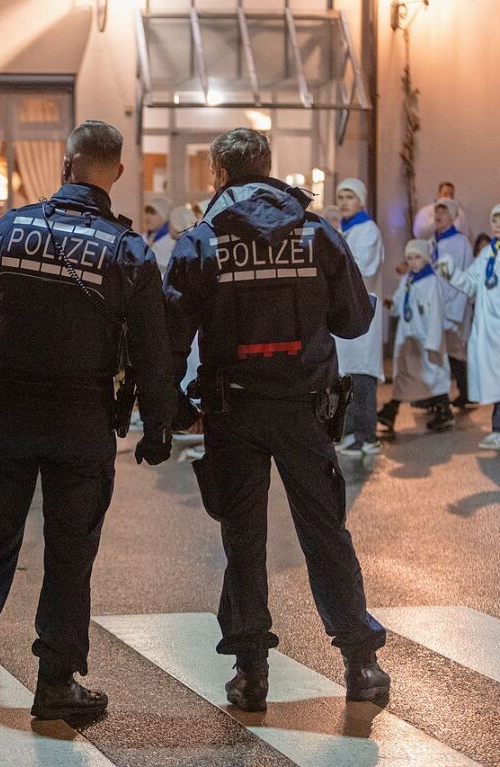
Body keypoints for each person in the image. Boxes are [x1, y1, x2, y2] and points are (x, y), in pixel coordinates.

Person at [0, 120, 177, 721]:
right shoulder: (127, 249)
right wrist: (159, 424)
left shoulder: (13, 227)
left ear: (65, 166)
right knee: (70, 551)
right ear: (115, 173)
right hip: (82, 419)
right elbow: (152, 346)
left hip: (6, 414)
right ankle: (57, 684)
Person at [164, 128, 389, 713]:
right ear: (268, 169)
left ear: (219, 175)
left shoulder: (201, 242)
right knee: (325, 533)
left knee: (243, 538)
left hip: (232, 410)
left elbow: (167, 335)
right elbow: (355, 321)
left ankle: (251, 673)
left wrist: (166, 406)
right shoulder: (318, 235)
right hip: (304, 409)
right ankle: (361, 663)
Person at [436, 204, 500, 449]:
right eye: (494, 219)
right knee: (496, 378)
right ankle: (497, 427)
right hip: (489, 327)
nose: (497, 223)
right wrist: (451, 273)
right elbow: (471, 283)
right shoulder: (487, 254)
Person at [332, 179, 386, 458]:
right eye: (340, 196)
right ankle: (351, 432)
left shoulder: (367, 231)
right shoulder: (346, 229)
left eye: (349, 196)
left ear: (361, 200)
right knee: (348, 376)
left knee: (362, 376)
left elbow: (361, 266)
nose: (343, 201)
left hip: (362, 313)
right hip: (347, 315)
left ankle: (367, 436)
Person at [378, 240, 453, 435]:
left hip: (425, 337)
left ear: (426, 258)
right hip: (409, 335)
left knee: (431, 373)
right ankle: (391, 410)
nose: (413, 262)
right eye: (409, 258)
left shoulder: (432, 282)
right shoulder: (408, 279)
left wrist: (433, 342)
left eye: (417, 257)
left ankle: (442, 411)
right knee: (407, 373)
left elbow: (436, 313)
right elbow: (401, 301)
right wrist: (392, 304)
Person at [430, 198, 475, 408]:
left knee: (455, 350)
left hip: (454, 303)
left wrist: (457, 306)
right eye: (436, 211)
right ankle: (440, 397)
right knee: (440, 350)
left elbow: (464, 273)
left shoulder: (460, 242)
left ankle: (465, 391)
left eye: (443, 211)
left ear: (453, 216)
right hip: (438, 303)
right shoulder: (434, 242)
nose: (438, 215)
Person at [142, 194, 175, 273]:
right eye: (147, 212)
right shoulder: (142, 238)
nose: (148, 217)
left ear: (164, 215)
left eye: (152, 213)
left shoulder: (173, 242)